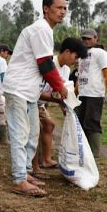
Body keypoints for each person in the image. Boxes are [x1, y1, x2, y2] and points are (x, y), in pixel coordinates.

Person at [2, 0, 69, 198]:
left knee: (33, 134)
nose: (62, 12)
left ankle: (27, 172)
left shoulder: (45, 31)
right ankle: (19, 179)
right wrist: (60, 87)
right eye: (58, 8)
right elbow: (46, 64)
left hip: (29, 92)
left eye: (65, 8)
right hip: (18, 89)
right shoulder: (41, 29)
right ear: (46, 9)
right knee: (21, 134)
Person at [31, 37, 88, 176]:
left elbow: (60, 91)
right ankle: (34, 167)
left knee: (49, 125)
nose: (75, 61)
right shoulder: (48, 65)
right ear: (67, 52)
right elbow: (36, 92)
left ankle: (46, 159)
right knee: (34, 131)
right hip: (31, 101)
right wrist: (57, 101)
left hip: (42, 104)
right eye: (75, 57)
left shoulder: (66, 69)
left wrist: (66, 108)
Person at [75, 29, 107, 158]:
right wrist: (75, 92)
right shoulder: (82, 55)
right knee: (79, 121)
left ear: (95, 38)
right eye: (84, 39)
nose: (86, 41)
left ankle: (94, 152)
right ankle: (84, 150)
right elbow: (80, 75)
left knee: (92, 121)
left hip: (95, 93)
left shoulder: (100, 53)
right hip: (82, 93)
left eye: (89, 38)